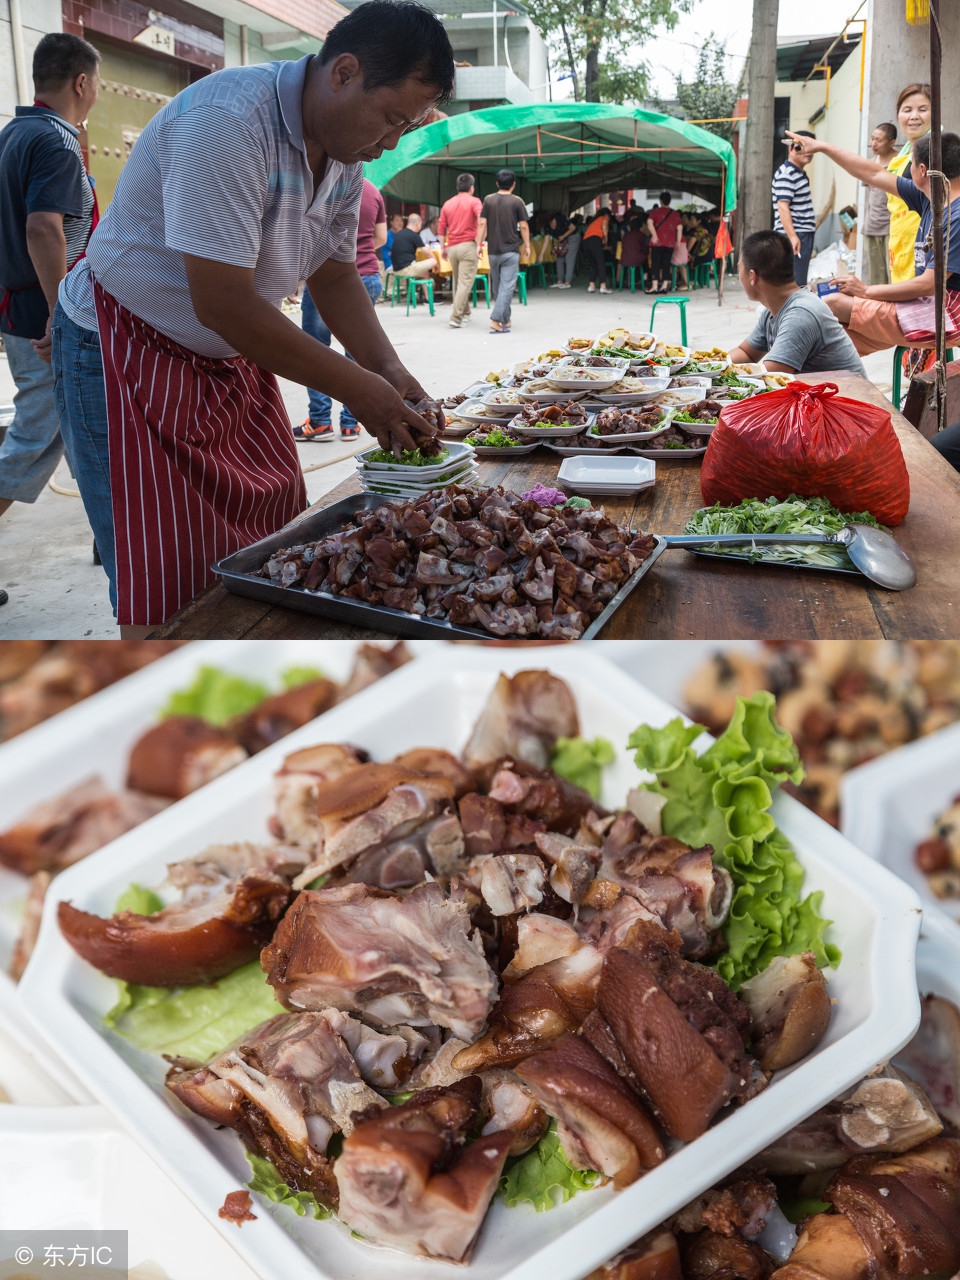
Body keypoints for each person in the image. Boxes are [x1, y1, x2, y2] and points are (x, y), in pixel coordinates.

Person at [52, 0, 455, 634]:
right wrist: (359, 391)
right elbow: (223, 301)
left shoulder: (345, 157)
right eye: (391, 119)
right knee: (164, 570)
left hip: (229, 348)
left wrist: (387, 368)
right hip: (125, 341)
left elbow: (333, 272)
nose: (391, 142)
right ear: (343, 72)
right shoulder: (228, 118)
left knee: (276, 535)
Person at [0, 33, 99, 528]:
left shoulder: (12, 135)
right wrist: (61, 313)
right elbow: (43, 228)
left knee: (83, 426)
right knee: (34, 436)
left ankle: (109, 538)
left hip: (20, 308)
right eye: (97, 83)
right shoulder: (56, 140)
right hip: (45, 318)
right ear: (82, 82)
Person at [785, 129, 960, 357]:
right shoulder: (931, 197)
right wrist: (823, 147)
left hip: (948, 315)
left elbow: (929, 284)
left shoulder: (955, 215)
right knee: (826, 343)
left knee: (833, 303)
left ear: (922, 170)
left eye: (911, 164)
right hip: (928, 303)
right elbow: (874, 174)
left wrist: (866, 290)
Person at [295, 176, 386, 441]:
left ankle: (321, 421)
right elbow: (380, 236)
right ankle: (351, 422)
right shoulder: (372, 190)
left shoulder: (322, 185)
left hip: (325, 277)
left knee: (316, 348)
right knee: (356, 349)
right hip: (368, 274)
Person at [727, 230, 866, 376]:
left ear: (752, 276)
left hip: (845, 397)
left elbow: (768, 379)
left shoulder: (801, 313)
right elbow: (746, 353)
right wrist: (713, 365)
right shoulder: (772, 311)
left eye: (740, 269)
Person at [887, 84, 932, 283]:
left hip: (925, 248)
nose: (914, 116)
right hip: (899, 247)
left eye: (922, 109)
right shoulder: (901, 158)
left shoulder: (938, 153)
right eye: (907, 110)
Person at [476, 168, 529, 334]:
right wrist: (527, 245)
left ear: (497, 183)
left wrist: (478, 244)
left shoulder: (488, 200)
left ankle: (506, 320)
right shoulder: (517, 201)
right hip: (511, 250)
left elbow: (482, 224)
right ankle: (496, 320)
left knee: (498, 287)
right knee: (506, 288)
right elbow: (524, 225)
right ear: (513, 184)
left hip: (493, 251)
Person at [772, 130, 817, 286]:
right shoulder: (787, 173)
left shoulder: (799, 173)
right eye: (800, 147)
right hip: (795, 233)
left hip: (800, 232)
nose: (807, 152)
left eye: (810, 148)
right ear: (790, 149)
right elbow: (782, 206)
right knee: (794, 282)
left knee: (797, 280)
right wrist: (792, 236)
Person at [438, 172, 481, 327]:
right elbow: (482, 219)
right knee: (465, 282)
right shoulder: (474, 202)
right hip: (468, 246)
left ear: (458, 187)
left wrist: (443, 247)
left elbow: (441, 227)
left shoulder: (448, 203)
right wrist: (480, 241)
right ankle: (455, 318)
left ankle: (466, 312)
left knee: (459, 282)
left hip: (452, 247)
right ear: (471, 188)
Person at [862, 122, 898, 285]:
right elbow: (872, 193)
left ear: (892, 142)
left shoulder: (899, 162)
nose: (873, 144)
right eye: (872, 139)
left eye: (879, 140)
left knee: (894, 275)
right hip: (872, 226)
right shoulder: (869, 164)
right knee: (877, 279)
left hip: (893, 227)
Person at [646, 192, 682, 293]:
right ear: (670, 201)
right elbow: (679, 228)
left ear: (660, 200)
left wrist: (654, 235)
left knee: (655, 264)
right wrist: (678, 242)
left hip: (657, 242)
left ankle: (655, 287)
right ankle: (664, 286)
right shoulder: (675, 213)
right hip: (670, 243)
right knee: (667, 264)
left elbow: (649, 222)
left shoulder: (655, 211)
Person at [390, 212, 436, 288]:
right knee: (433, 261)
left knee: (425, 272)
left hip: (396, 270)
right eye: (420, 225)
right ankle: (426, 297)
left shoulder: (399, 234)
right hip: (406, 270)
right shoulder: (414, 236)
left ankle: (426, 298)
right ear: (417, 224)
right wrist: (437, 264)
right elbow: (428, 253)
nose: (420, 227)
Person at [581, 207, 610, 293]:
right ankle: (603, 286)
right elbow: (604, 228)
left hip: (585, 242)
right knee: (600, 263)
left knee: (594, 264)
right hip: (595, 240)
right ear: (607, 215)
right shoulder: (604, 218)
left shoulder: (594, 221)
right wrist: (606, 239)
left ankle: (591, 285)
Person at [618, 215, 648, 288]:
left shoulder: (626, 235)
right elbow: (645, 249)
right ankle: (645, 281)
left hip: (624, 259)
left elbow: (623, 246)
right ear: (640, 226)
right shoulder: (642, 235)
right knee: (645, 264)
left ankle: (620, 283)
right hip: (637, 259)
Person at [552, 211, 580, 288]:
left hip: (572, 237)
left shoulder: (561, 219)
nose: (553, 225)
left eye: (553, 223)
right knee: (559, 258)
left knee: (569, 258)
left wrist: (563, 236)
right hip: (562, 239)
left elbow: (573, 228)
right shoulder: (548, 227)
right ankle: (559, 281)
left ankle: (567, 282)